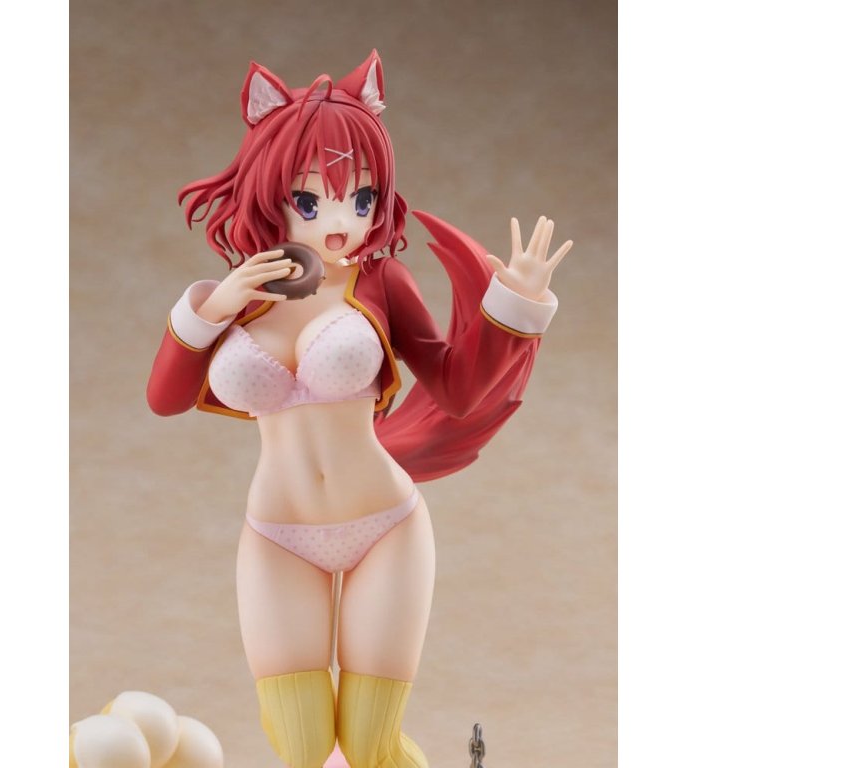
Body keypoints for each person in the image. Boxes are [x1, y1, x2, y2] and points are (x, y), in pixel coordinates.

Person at [147, 50, 571, 768]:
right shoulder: (237, 296)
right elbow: (163, 399)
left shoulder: (381, 281)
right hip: (278, 534)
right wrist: (213, 307)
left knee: (371, 742)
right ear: (269, 190)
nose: (341, 223)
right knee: (304, 743)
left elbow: (457, 389)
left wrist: (515, 308)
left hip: (385, 527)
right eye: (311, 202)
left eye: (363, 198)